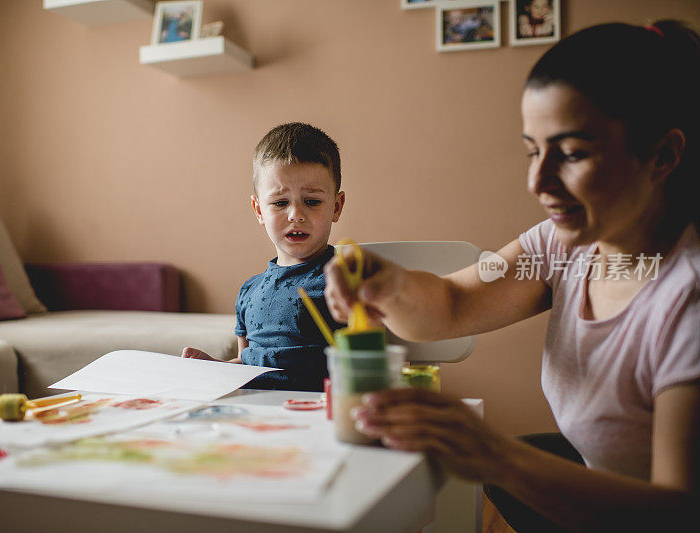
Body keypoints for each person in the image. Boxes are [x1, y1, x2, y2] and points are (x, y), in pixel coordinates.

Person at [324, 20, 699, 532]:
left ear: (663, 155)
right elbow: (453, 302)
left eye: (570, 154)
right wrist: (387, 283)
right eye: (532, 150)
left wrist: (496, 457)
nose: (537, 181)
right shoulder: (560, 245)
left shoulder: (687, 301)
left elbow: (681, 513)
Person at [183, 122, 346, 392]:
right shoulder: (250, 291)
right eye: (280, 203)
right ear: (259, 210)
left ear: (336, 207)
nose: (296, 214)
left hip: (318, 415)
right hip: (258, 416)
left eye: (312, 201)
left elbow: (368, 363)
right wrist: (214, 366)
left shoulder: (345, 280)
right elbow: (247, 367)